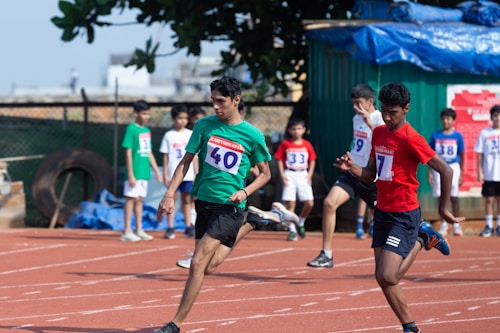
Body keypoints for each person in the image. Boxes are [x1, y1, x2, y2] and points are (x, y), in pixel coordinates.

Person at [334, 82, 464, 333]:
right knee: (382, 278)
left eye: (393, 112)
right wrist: (351, 168)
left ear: (406, 109)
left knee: (389, 276)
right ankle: (410, 327)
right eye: (384, 110)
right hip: (382, 211)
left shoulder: (412, 138)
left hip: (404, 214)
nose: (386, 116)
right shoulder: (379, 133)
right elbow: (371, 174)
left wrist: (443, 210)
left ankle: (422, 237)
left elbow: (445, 170)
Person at [152, 76, 272, 333]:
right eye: (213, 101)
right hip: (203, 201)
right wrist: (169, 194)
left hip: (229, 205)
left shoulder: (252, 135)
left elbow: (265, 174)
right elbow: (185, 162)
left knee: (196, 263)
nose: (215, 106)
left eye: (221, 101)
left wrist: (245, 191)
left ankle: (175, 324)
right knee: (210, 266)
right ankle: (250, 223)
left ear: (236, 100)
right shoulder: (204, 126)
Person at [307, 83, 384, 267]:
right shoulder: (356, 118)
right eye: (353, 104)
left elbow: (385, 142)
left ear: (370, 101)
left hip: (372, 176)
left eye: (358, 103)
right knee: (329, 202)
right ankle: (326, 254)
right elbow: (359, 144)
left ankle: (404, 245)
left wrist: (370, 124)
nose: (355, 107)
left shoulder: (380, 119)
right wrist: (348, 159)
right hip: (353, 171)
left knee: (386, 219)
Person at [120, 100, 163, 242]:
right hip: (135, 172)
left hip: (144, 172)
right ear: (136, 114)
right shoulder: (131, 129)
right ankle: (127, 230)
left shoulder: (146, 131)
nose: (146, 117)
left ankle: (139, 229)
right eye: (144, 114)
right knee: (131, 199)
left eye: (148, 114)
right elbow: (128, 152)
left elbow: (148, 152)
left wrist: (156, 171)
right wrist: (131, 174)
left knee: (139, 200)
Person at [273, 118, 316, 241]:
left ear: (303, 130)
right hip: (290, 174)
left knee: (309, 202)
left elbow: (312, 160)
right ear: (289, 130)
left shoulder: (307, 144)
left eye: (299, 129)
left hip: (303, 174)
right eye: (293, 129)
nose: (296, 131)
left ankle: (301, 222)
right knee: (290, 203)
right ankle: (292, 230)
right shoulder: (286, 144)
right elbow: (280, 159)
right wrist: (282, 175)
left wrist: (309, 175)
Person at [159, 105, 197, 239]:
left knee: (187, 200)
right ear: (174, 118)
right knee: (171, 200)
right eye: (180, 118)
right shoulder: (169, 135)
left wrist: (196, 173)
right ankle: (170, 227)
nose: (183, 121)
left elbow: (195, 156)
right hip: (173, 174)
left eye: (185, 118)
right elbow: (165, 156)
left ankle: (188, 226)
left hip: (188, 174)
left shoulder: (190, 134)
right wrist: (165, 174)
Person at [428, 108, 465, 236]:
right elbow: (429, 154)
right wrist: (429, 173)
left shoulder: (458, 136)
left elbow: (462, 154)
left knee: (454, 197)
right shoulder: (435, 135)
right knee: (441, 196)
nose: (445, 121)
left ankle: (456, 224)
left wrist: (462, 174)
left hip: (453, 167)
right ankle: (444, 224)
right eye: (443, 118)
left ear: (453, 121)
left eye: (448, 118)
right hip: (438, 167)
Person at [475, 104, 500, 237]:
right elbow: (480, 154)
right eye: (495, 116)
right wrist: (479, 171)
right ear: (491, 117)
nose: (497, 118)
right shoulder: (485, 133)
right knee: (489, 200)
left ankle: (499, 226)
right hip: (489, 173)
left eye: (499, 116)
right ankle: (489, 226)